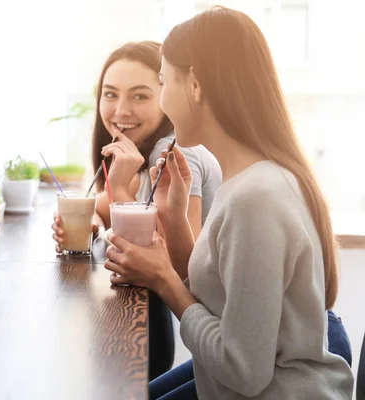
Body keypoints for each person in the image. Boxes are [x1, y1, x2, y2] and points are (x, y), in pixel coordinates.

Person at [103, 6, 354, 399]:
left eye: (164, 83)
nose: (164, 102)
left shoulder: (256, 197)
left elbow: (243, 368)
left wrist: (164, 281)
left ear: (196, 85)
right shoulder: (247, 180)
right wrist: (172, 216)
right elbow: (220, 296)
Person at [50, 41, 222, 381]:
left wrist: (122, 187)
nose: (120, 110)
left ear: (168, 96)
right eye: (110, 94)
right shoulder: (142, 149)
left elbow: (180, 265)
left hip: (240, 355)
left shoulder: (173, 152)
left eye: (140, 96)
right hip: (203, 343)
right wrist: (91, 223)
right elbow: (99, 210)